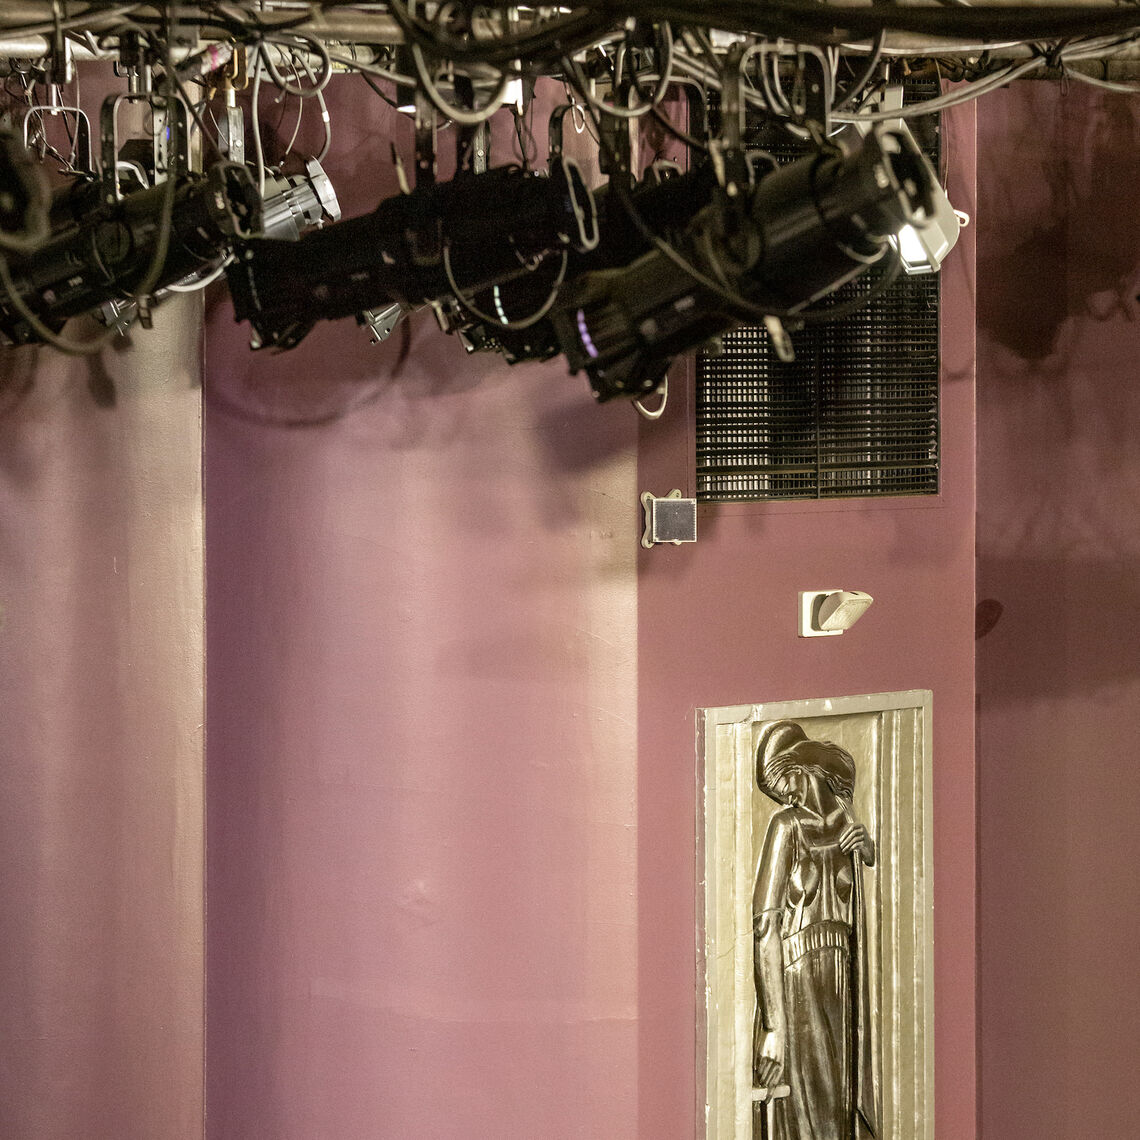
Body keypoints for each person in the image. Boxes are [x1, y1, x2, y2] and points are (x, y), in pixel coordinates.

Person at [752, 721, 879, 1140]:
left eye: (784, 778)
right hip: (795, 980)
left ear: (807, 768)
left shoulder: (846, 821)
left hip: (840, 981)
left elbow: (865, 910)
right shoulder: (785, 827)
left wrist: (869, 849)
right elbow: (765, 926)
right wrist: (775, 1027)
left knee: (839, 1111)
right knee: (803, 1116)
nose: (783, 792)